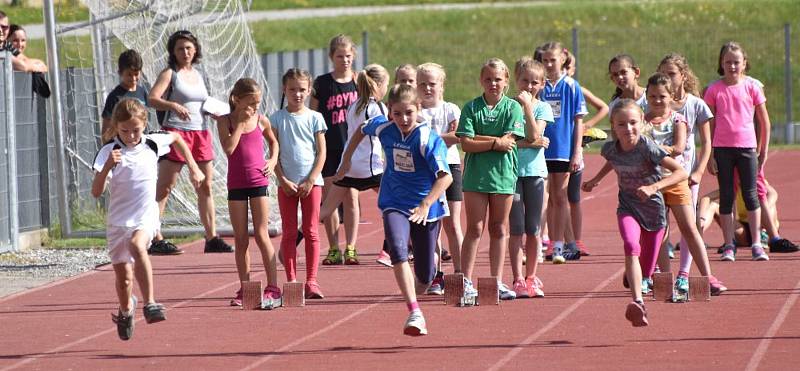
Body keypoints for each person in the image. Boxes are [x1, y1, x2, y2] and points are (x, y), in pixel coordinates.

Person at [337, 83, 452, 336]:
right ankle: (415, 312)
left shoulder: (427, 138)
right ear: (389, 111)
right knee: (398, 250)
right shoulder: (383, 127)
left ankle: (429, 271)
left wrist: (425, 204)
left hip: (425, 208)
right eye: (397, 113)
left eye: (409, 112)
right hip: (394, 202)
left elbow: (446, 178)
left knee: (424, 276)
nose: (403, 119)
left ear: (418, 109)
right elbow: (359, 130)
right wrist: (346, 161)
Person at [91, 99, 204, 340]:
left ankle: (151, 302)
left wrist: (194, 167)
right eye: (125, 131)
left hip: (146, 216)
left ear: (144, 125)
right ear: (116, 127)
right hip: (118, 222)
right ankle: (126, 309)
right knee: (124, 281)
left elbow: (177, 139)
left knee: (137, 244)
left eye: (136, 130)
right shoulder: (108, 151)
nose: (131, 136)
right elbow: (96, 191)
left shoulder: (152, 143)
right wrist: (108, 165)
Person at [582, 99, 687, 327]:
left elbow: (680, 172)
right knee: (630, 246)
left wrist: (653, 187)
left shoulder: (648, 147)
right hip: (628, 207)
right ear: (613, 126)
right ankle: (638, 302)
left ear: (642, 122)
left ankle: (637, 275)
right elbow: (613, 160)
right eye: (621, 124)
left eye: (632, 123)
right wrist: (595, 180)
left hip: (654, 215)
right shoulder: (609, 148)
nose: (628, 128)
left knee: (646, 270)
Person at [148, 30, 233, 255]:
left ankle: (212, 237)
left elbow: (203, 101)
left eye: (188, 48)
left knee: (205, 186)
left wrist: (214, 111)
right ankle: (155, 237)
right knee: (165, 187)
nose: (185, 52)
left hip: (201, 132)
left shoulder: (200, 73)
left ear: (195, 49)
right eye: (180, 49)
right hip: (176, 133)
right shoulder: (170, 74)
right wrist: (173, 105)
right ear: (173, 52)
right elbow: (152, 99)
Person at [642, 73, 726, 296]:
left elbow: (679, 148)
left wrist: (652, 150)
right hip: (652, 182)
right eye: (652, 96)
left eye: (661, 96)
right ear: (647, 97)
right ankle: (664, 281)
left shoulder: (678, 120)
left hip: (676, 181)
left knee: (690, 228)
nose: (657, 100)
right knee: (661, 231)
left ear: (671, 96)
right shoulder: (642, 121)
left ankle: (707, 277)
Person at [456, 58, 526, 302]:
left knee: (499, 227)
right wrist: (494, 142)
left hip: (504, 176)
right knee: (474, 228)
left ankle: (495, 280)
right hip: (476, 177)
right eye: (488, 79)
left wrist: (482, 139)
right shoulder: (471, 108)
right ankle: (465, 280)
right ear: (481, 81)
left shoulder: (513, 108)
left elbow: (510, 142)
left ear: (506, 81)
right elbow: (466, 143)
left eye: (498, 79)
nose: (493, 83)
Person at [216, 78, 281, 308]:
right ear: (237, 100)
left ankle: (273, 287)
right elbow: (229, 149)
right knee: (241, 238)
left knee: (262, 234)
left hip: (258, 181)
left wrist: (272, 161)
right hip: (236, 184)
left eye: (258, 103)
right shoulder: (225, 121)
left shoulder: (261, 120)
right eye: (251, 103)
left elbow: (274, 143)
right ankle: (246, 287)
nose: (255, 108)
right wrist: (242, 125)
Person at [704, 42, 770, 262]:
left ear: (744, 63)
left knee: (751, 195)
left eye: (736, 62)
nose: (732, 66)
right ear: (721, 64)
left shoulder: (752, 86)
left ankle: (757, 244)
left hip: (747, 148)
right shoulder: (714, 89)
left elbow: (764, 121)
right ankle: (729, 244)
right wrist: (710, 154)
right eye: (727, 62)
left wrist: (763, 150)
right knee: (726, 196)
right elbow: (709, 124)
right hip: (723, 150)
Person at [319, 64, 389, 265]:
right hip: (369, 168)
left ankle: (294, 239)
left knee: (325, 209)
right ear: (379, 86)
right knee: (395, 203)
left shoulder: (353, 105)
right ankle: (393, 248)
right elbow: (379, 134)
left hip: (347, 166)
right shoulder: (377, 108)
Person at [271, 68, 327, 299]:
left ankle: (312, 281)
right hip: (287, 184)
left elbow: (321, 153)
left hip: (311, 184)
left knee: (311, 231)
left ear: (309, 90)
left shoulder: (315, 118)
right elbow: (273, 153)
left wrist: (311, 179)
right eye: (292, 89)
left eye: (302, 89)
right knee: (289, 232)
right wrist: (282, 179)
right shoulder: (276, 119)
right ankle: (292, 280)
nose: (297, 94)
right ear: (284, 89)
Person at [312, 34, 359, 265]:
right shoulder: (322, 84)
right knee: (330, 199)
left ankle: (351, 247)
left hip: (353, 149)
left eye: (348, 56)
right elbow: (313, 116)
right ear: (332, 57)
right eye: (340, 56)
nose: (344, 60)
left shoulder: (359, 82)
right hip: (330, 148)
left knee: (351, 197)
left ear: (354, 56)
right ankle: (333, 248)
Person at [416, 62, 462, 294]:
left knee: (452, 224)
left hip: (450, 167)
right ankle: (436, 275)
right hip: (424, 170)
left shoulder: (451, 109)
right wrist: (443, 137)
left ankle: (461, 273)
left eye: (432, 84)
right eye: (421, 84)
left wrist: (430, 137)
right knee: (431, 225)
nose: (427, 88)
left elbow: (458, 137)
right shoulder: (414, 112)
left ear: (441, 85)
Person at [538, 42, 587, 263]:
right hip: (541, 148)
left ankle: (561, 245)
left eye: (552, 60)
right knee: (545, 198)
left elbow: (578, 121)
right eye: (544, 60)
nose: (548, 64)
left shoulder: (571, 86)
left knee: (560, 196)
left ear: (562, 59)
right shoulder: (539, 86)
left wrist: (576, 152)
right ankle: (549, 242)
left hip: (563, 149)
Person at [509, 57, 553, 298]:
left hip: (535, 174)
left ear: (542, 84)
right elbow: (514, 140)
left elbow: (537, 133)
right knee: (516, 229)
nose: (528, 86)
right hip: (512, 174)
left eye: (534, 82)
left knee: (533, 229)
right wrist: (530, 143)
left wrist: (527, 107)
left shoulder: (542, 108)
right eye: (524, 80)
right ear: (517, 80)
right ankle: (517, 278)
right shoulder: (508, 106)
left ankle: (531, 276)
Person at [562, 49, 608, 257]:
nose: (565, 71)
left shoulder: (576, 89)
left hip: (574, 150)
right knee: (552, 197)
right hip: (554, 150)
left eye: (568, 67)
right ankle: (553, 238)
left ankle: (576, 240)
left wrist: (586, 125)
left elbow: (603, 107)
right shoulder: (546, 89)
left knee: (572, 197)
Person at [101, 50, 149, 144]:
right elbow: (106, 129)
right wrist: (107, 148)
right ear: (120, 73)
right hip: (122, 147)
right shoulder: (114, 96)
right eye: (129, 75)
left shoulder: (142, 92)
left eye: (136, 74)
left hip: (140, 146)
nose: (133, 78)